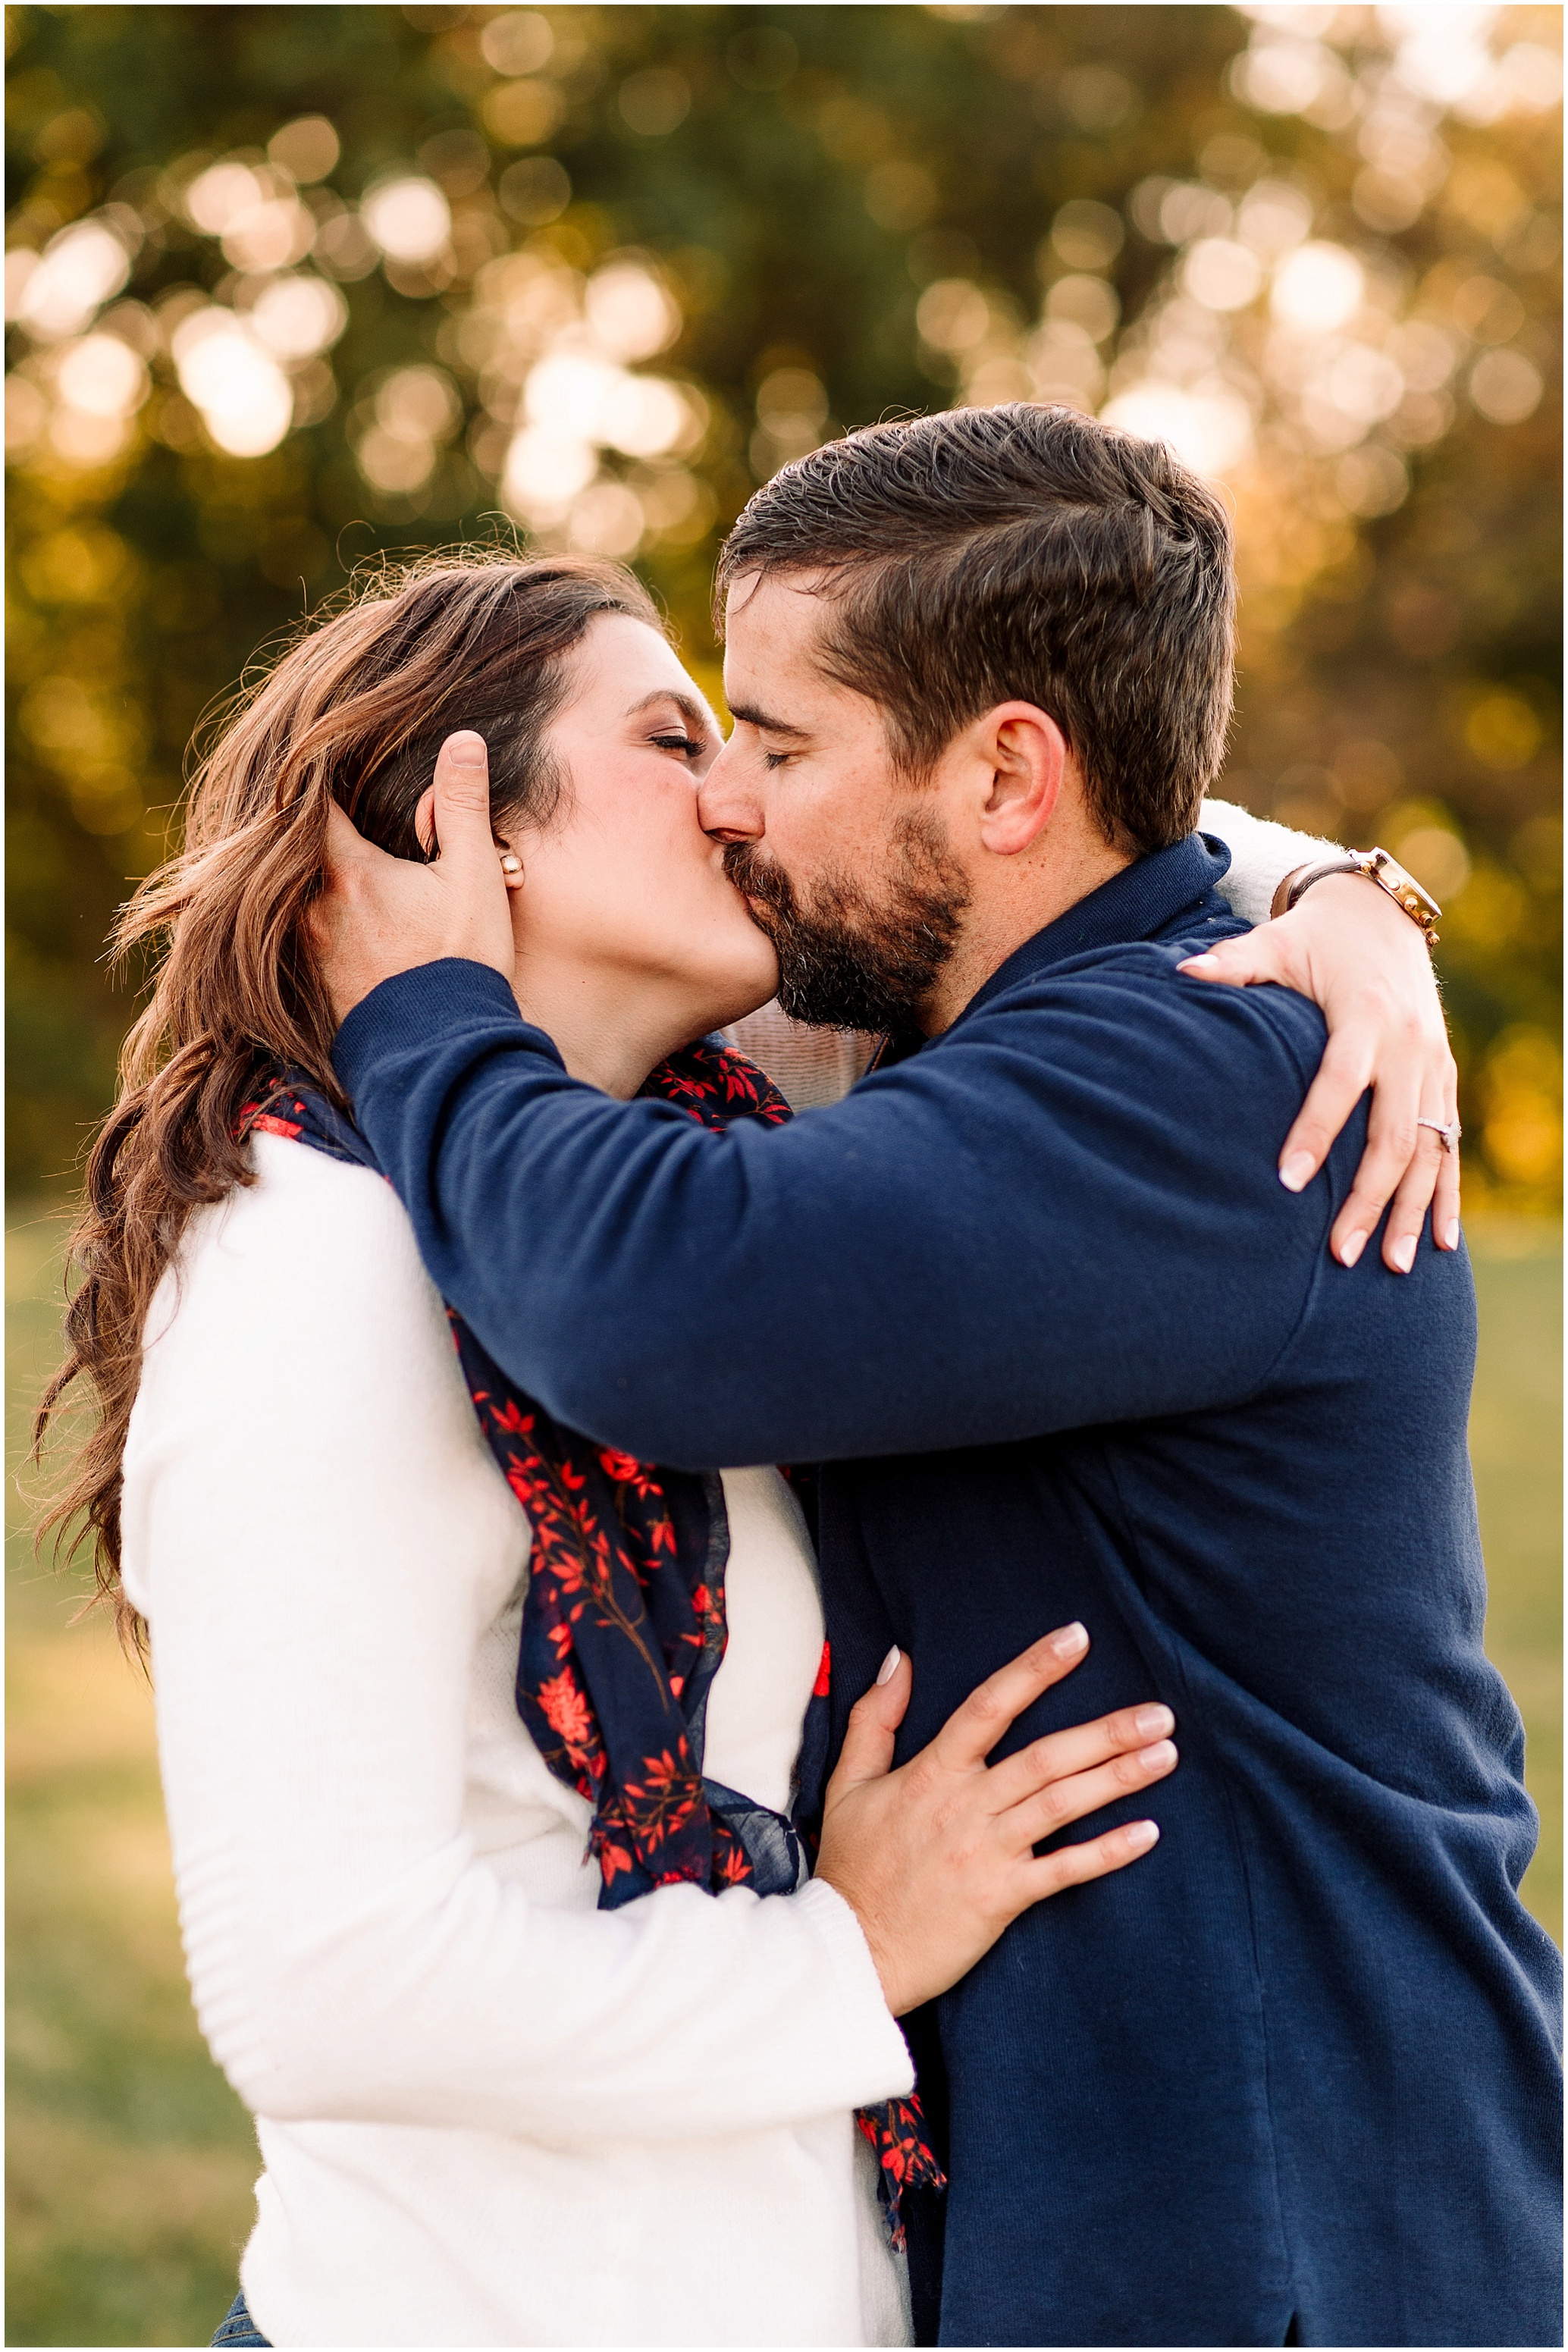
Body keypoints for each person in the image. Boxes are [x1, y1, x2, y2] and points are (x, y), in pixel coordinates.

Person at [311, 408, 1563, 2350]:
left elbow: (661, 1307)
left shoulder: (1197, 1084)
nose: (729, 797)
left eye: (779, 742)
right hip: (1140, 2215)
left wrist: (423, 1012)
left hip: (1288, 2236)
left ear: (1002, 777)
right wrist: (1351, 887)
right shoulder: (968, 1034)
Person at [39, 554, 1209, 2352]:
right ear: (463, 831)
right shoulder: (313, 1260)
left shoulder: (715, 1163)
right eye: (677, 737)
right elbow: (321, 1987)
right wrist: (846, 1950)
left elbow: (1063, 828)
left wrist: (1358, 905)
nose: (739, 793)